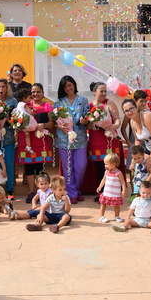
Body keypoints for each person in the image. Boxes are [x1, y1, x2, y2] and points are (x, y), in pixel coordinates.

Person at [54, 76, 89, 204]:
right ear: (62, 89)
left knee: (81, 166)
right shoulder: (59, 103)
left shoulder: (83, 100)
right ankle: (72, 193)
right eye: (66, 86)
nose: (69, 88)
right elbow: (55, 120)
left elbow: (88, 117)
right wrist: (60, 126)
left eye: (70, 85)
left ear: (74, 85)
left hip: (80, 139)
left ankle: (77, 189)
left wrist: (85, 120)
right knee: (68, 168)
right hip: (64, 140)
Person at [16, 83, 54, 203]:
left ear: (43, 93)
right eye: (33, 92)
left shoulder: (48, 106)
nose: (35, 94)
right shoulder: (24, 106)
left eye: (38, 91)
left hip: (41, 140)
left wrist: (43, 125)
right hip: (28, 141)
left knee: (39, 167)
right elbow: (17, 121)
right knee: (29, 168)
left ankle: (41, 192)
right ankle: (32, 192)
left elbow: (52, 124)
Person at [87, 81, 124, 195]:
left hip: (109, 139)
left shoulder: (110, 103)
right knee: (99, 166)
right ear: (94, 92)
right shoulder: (90, 106)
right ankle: (101, 191)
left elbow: (117, 119)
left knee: (112, 165)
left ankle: (114, 190)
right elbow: (86, 123)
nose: (104, 93)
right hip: (96, 139)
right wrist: (93, 124)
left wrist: (112, 126)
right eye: (101, 91)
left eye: (105, 91)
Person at [0, 78, 18, 196]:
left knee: (9, 162)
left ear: (7, 88)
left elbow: (16, 117)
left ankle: (9, 188)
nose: (1, 89)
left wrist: (6, 121)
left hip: (8, 135)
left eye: (3, 87)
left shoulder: (13, 101)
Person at [96, 153, 127, 223]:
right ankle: (101, 216)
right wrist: (100, 187)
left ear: (114, 164)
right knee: (103, 204)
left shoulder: (118, 173)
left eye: (107, 164)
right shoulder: (106, 172)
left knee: (116, 205)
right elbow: (103, 180)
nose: (105, 165)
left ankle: (117, 216)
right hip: (106, 192)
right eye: (105, 164)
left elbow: (123, 182)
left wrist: (124, 190)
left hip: (115, 193)